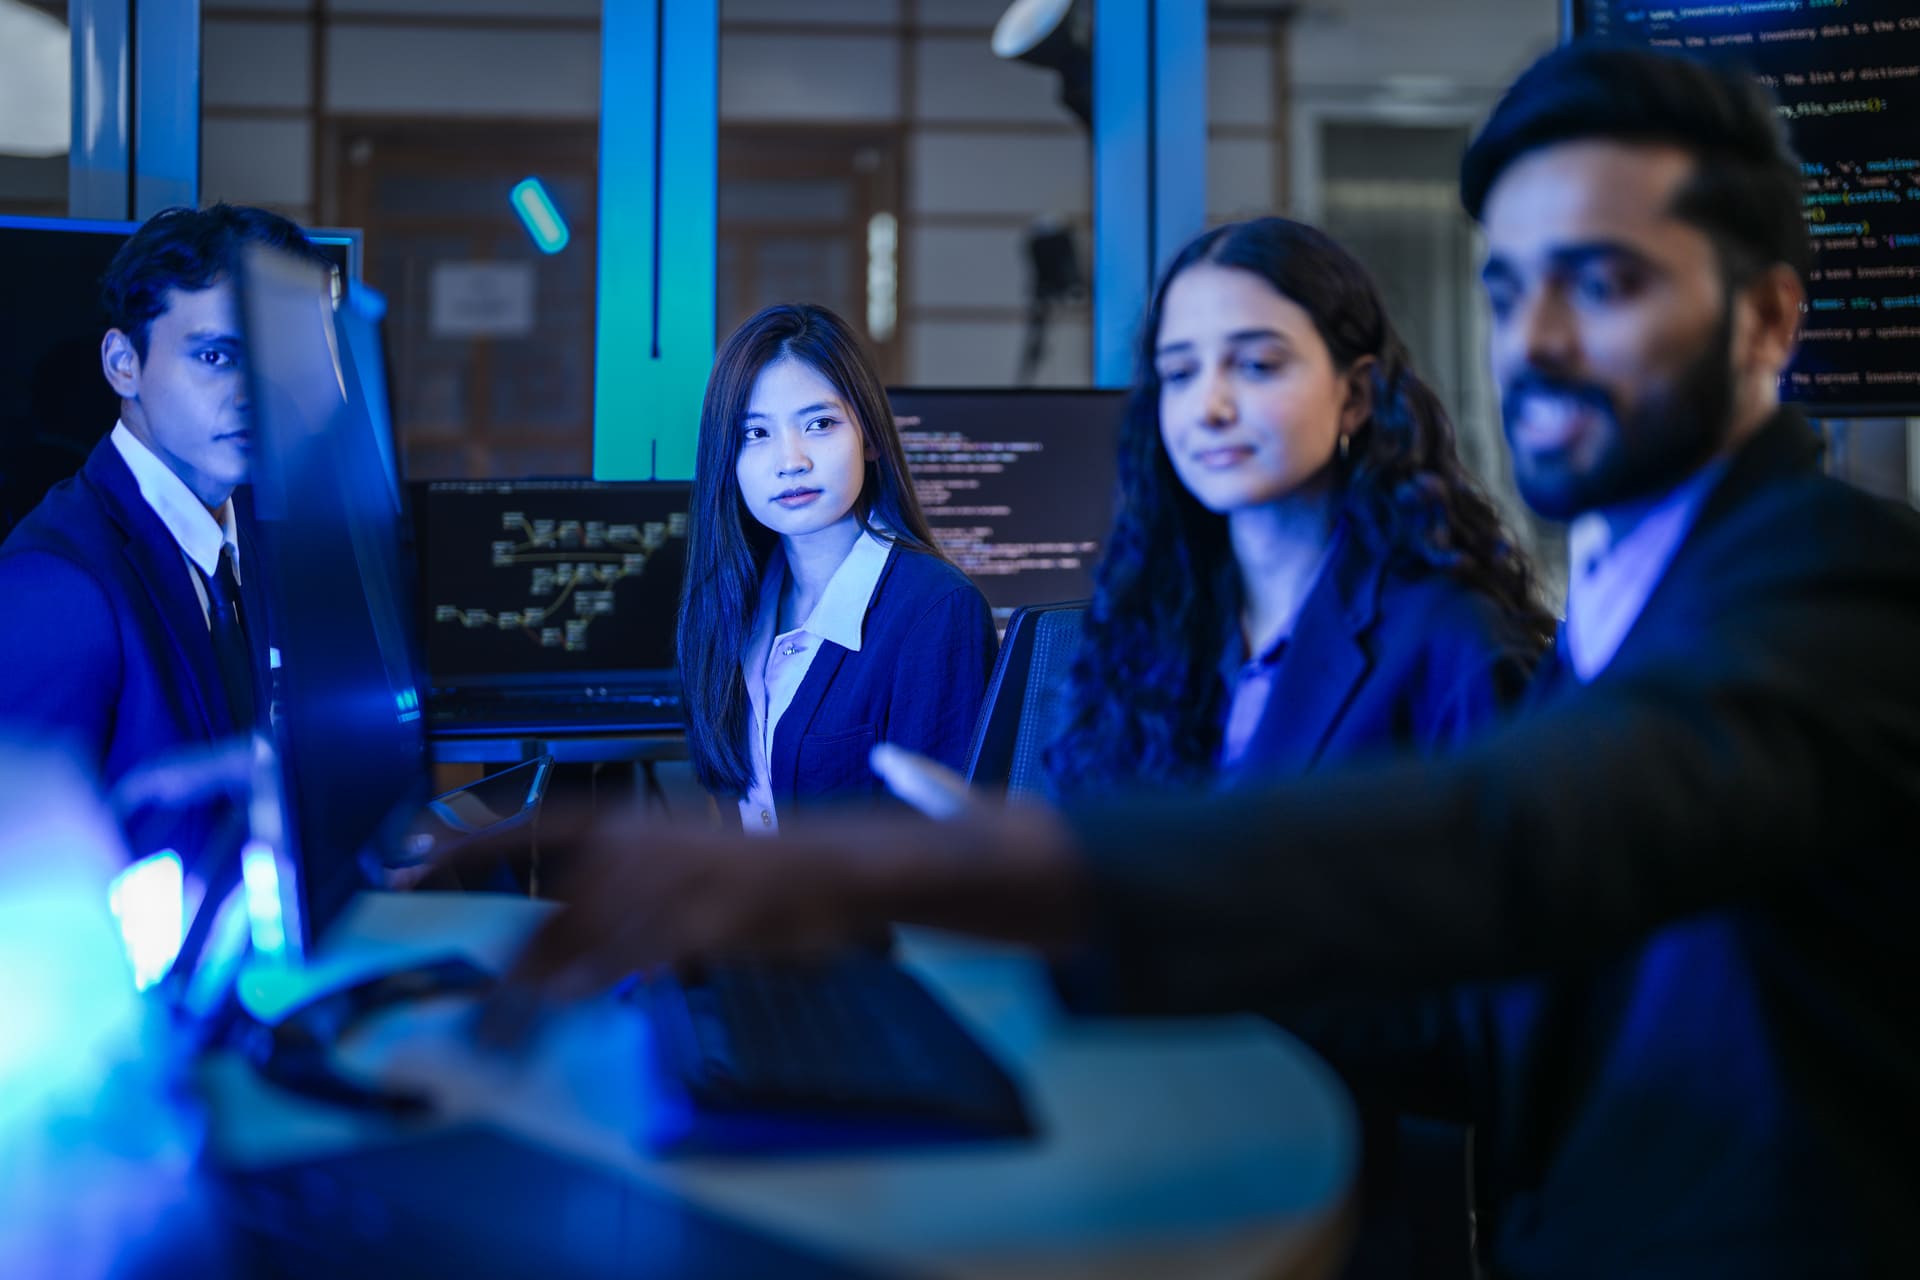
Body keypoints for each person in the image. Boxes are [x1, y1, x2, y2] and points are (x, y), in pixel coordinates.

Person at [462, 44, 1920, 1276]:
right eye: (1509, 286)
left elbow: (1515, 843)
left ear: (1772, 318)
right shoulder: (1607, 597)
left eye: (1601, 284)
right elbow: (1471, 996)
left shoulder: (1836, 588)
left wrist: (932, 873)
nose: (1534, 339)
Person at [1047, 216, 1549, 799]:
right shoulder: (1153, 620)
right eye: (1180, 374)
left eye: (1257, 365)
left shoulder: (1454, 643)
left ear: (1355, 396)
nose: (1208, 407)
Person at [0, 204, 334, 861]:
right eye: (215, 355)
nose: (251, 394)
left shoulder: (268, 543)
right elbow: (23, 885)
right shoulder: (56, 585)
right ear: (124, 364)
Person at [675, 303, 996, 832]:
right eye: (755, 434)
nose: (791, 460)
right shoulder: (726, 604)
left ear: (868, 437)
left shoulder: (936, 612)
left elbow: (940, 857)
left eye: (819, 424)